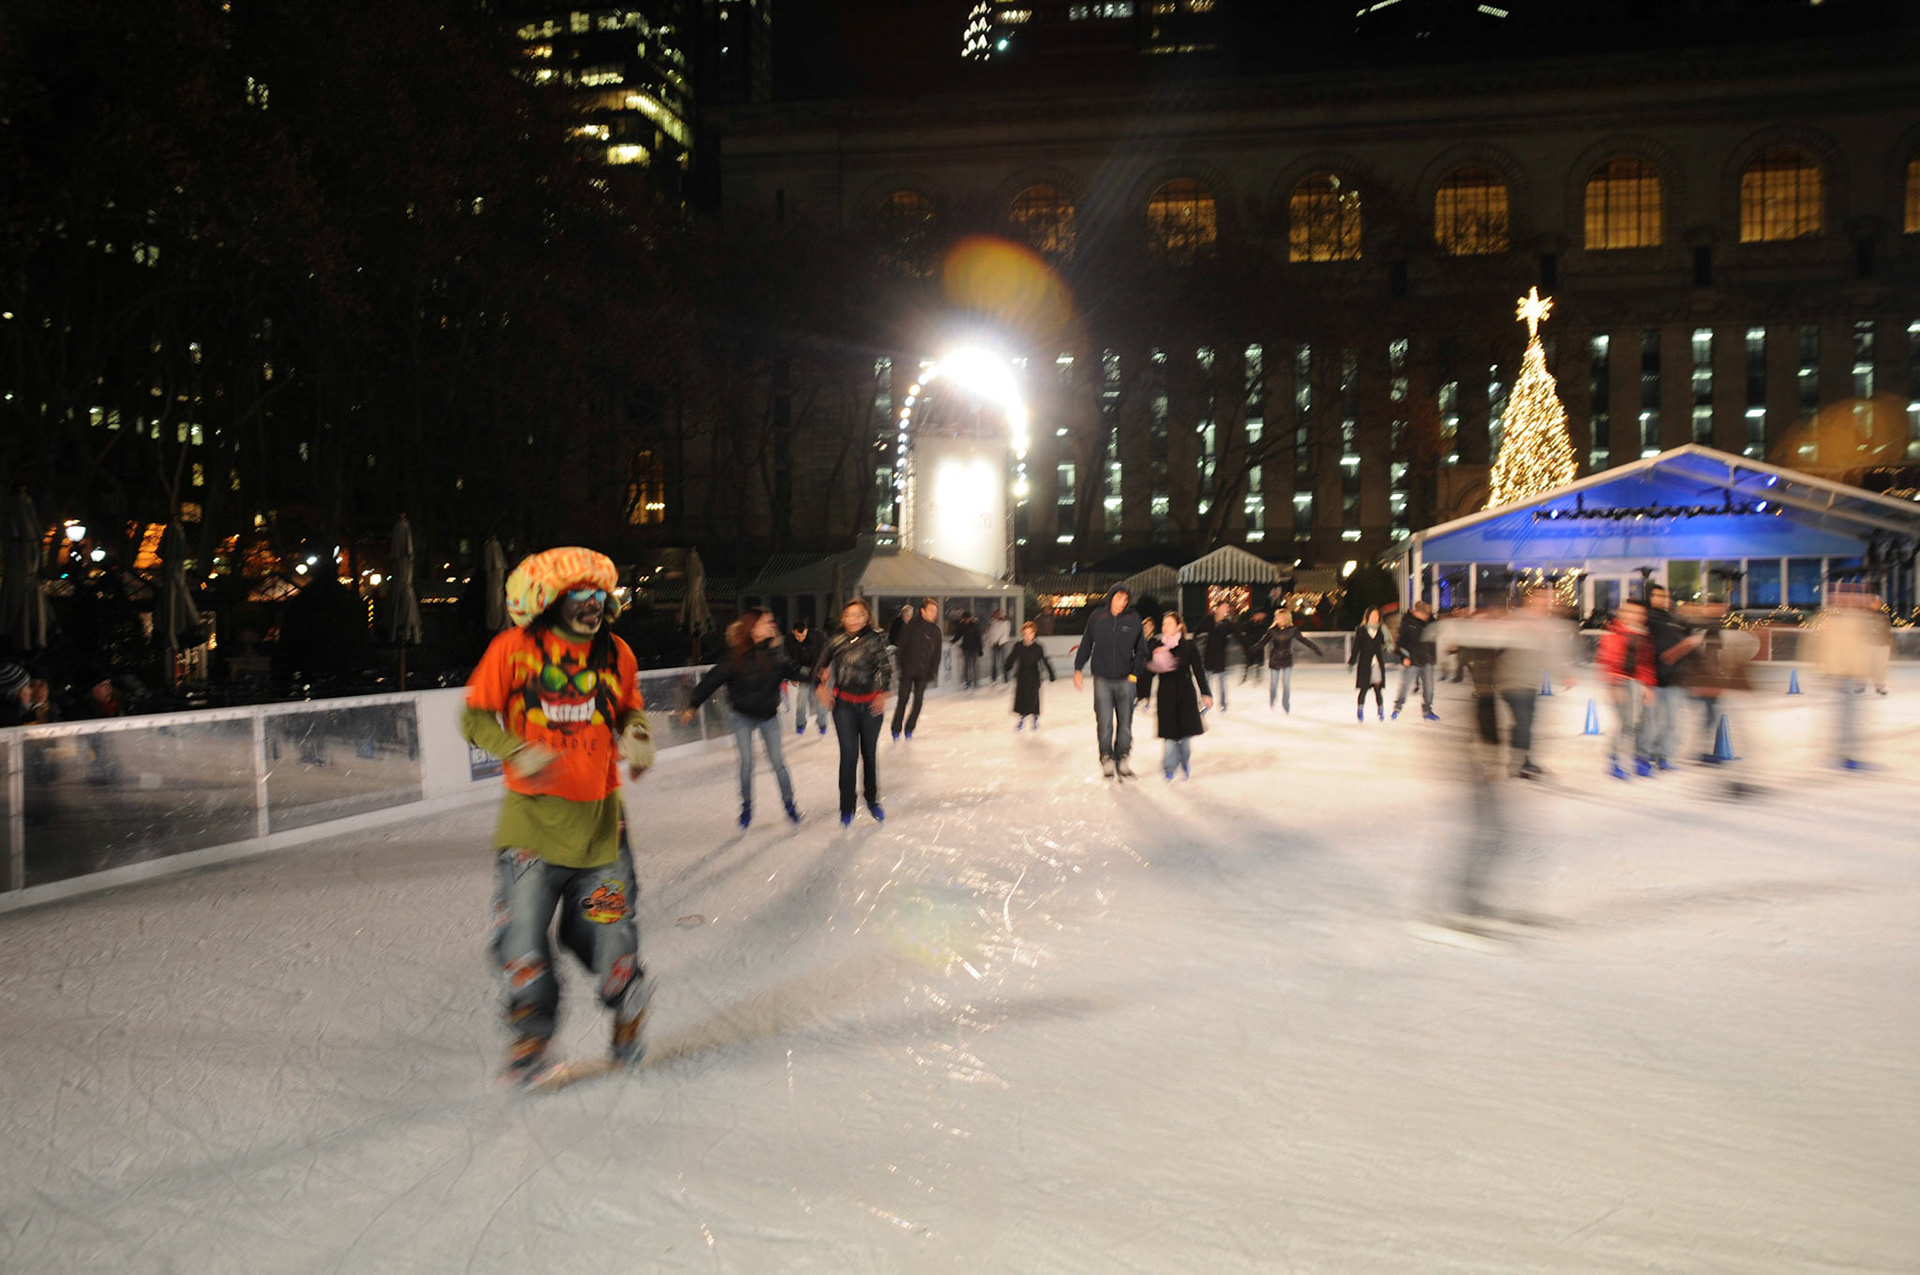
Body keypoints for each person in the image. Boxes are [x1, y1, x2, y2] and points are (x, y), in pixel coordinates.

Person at [461, 547, 655, 1087]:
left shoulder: (617, 654)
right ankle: (531, 1033)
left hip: (602, 835)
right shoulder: (514, 650)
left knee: (610, 931)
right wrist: (514, 749)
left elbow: (628, 706)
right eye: (581, 596)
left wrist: (637, 732)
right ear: (548, 601)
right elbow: (474, 717)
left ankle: (627, 1007)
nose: (594, 605)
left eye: (601, 596)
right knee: (521, 934)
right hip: (531, 831)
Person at [682, 608, 804, 828]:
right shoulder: (734, 657)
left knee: (778, 762)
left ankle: (789, 804)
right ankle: (746, 806)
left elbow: (795, 672)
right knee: (746, 763)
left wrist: (818, 678)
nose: (772, 625)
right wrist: (693, 704)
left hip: (769, 716)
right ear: (753, 628)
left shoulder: (775, 655)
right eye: (766, 622)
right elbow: (711, 681)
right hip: (742, 717)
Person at [818, 598, 892, 824]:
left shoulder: (875, 639)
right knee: (849, 755)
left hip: (871, 706)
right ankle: (847, 806)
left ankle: (872, 799)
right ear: (843, 618)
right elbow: (819, 667)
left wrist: (883, 693)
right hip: (843, 708)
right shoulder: (835, 640)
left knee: (868, 754)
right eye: (850, 615)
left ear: (867, 617)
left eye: (859, 614)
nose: (854, 619)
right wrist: (820, 686)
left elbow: (886, 668)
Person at [1495, 590, 1576, 779]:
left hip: (1529, 682)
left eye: (1545, 601)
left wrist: (1564, 675)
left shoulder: (1543, 625)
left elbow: (1551, 654)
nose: (1543, 604)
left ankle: (1521, 759)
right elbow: (1497, 642)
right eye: (1540, 600)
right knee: (1523, 723)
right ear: (1530, 601)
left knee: (1524, 723)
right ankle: (1522, 763)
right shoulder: (1515, 620)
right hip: (1511, 681)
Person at [1073, 584, 1149, 779]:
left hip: (1126, 679)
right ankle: (1106, 757)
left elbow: (1142, 650)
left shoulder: (1133, 619)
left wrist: (1135, 673)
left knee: (1125, 723)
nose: (1122, 603)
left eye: (1126, 600)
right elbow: (1086, 643)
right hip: (1102, 680)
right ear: (1111, 597)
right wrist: (1078, 668)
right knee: (1104, 722)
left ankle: (1122, 756)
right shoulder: (1098, 617)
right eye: (1119, 598)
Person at [1813, 588, 1878, 770]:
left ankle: (1844, 753)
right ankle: (1845, 754)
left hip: (1846, 673)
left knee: (1846, 715)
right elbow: (1837, 648)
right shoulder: (1837, 621)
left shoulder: (1844, 619)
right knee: (1846, 716)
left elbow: (1858, 647)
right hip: (1842, 673)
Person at [1595, 598, 1657, 779]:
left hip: (1637, 683)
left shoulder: (1643, 635)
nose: (1634, 616)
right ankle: (1614, 761)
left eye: (1638, 613)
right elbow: (1607, 662)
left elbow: (1646, 664)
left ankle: (1639, 760)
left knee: (1644, 723)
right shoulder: (1614, 633)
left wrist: (1647, 686)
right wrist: (1614, 685)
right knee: (1625, 724)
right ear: (1621, 613)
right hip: (1620, 682)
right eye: (1630, 611)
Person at [1146, 611, 1212, 780]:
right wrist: (1154, 661)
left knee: (1185, 739)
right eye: (1163, 624)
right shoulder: (1156, 647)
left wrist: (1205, 693)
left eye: (1169, 623)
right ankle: (1169, 768)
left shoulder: (1188, 645)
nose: (1165, 627)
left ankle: (1184, 762)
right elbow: (1147, 672)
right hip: (1165, 696)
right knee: (1169, 739)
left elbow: (1198, 670)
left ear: (1178, 626)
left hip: (1186, 696)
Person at [1644, 584, 1702, 771]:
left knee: (1674, 721)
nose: (1662, 599)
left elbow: (1691, 649)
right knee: (1653, 720)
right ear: (1650, 598)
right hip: (1654, 680)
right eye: (1658, 596)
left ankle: (1665, 756)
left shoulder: (1675, 620)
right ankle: (1649, 753)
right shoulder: (1648, 619)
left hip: (1675, 680)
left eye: (1665, 596)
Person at [891, 598, 942, 740]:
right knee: (903, 700)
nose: (934, 614)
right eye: (931, 611)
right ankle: (896, 729)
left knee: (918, 701)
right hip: (908, 670)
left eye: (935, 612)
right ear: (922, 611)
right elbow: (900, 648)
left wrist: (933, 671)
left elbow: (937, 653)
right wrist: (901, 667)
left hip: (924, 672)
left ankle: (909, 728)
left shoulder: (936, 631)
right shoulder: (911, 626)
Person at [1252, 609, 1321, 712]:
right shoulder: (1272, 630)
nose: (1276, 618)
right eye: (1276, 617)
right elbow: (1263, 643)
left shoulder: (1292, 630)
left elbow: (1304, 640)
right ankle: (1272, 699)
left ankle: (1286, 703)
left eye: (1278, 616)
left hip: (1287, 658)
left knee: (1286, 684)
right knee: (1274, 684)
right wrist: (1252, 650)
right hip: (1275, 658)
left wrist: (1316, 648)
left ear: (1285, 618)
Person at [1391, 600, 1439, 722]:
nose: (1426, 616)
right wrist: (1404, 658)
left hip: (1426, 660)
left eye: (1427, 614)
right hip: (1411, 660)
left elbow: (1433, 642)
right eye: (1424, 614)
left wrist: (1432, 657)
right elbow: (1401, 642)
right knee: (1405, 685)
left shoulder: (1430, 623)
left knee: (1429, 687)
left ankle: (1427, 710)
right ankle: (1398, 707)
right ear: (1417, 612)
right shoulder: (1408, 622)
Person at [1008, 620, 1055, 730]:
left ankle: (1034, 718)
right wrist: (1007, 665)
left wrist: (1051, 673)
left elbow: (1044, 660)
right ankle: (1022, 718)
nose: (1028, 636)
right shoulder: (1018, 646)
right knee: (1022, 697)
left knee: (1033, 698)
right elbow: (1012, 657)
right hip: (1021, 674)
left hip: (1034, 675)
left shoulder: (1038, 647)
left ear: (1034, 634)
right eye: (1025, 634)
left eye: (1030, 633)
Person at [784, 618, 826, 736]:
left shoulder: (817, 636)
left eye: (802, 636)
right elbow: (787, 659)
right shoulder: (789, 640)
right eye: (798, 636)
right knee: (801, 700)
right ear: (793, 632)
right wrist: (792, 675)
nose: (800, 639)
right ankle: (800, 724)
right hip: (802, 674)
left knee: (821, 701)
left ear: (806, 631)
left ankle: (822, 724)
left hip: (818, 672)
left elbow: (827, 651)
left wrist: (824, 668)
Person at [1349, 607, 1390, 722]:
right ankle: (1360, 710)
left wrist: (1389, 643)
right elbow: (1356, 647)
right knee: (1364, 688)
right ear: (1367, 616)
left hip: (1377, 664)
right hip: (1365, 664)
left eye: (1376, 616)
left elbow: (1387, 643)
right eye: (1372, 615)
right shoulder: (1361, 630)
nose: (1375, 618)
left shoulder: (1381, 630)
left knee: (1377, 688)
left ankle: (1380, 710)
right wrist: (1352, 662)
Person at [1201, 603, 1236, 711]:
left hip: (1220, 657)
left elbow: (1237, 634)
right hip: (1209, 656)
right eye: (1223, 607)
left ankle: (1223, 703)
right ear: (1218, 608)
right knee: (1206, 681)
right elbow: (1199, 630)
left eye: (1227, 608)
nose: (1225, 609)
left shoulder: (1227, 623)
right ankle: (1204, 702)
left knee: (1221, 681)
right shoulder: (1209, 620)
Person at [954, 611, 984, 690]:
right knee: (966, 665)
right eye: (965, 619)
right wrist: (953, 640)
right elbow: (959, 635)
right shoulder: (962, 626)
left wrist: (980, 649)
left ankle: (975, 682)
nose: (966, 620)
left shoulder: (974, 626)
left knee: (974, 665)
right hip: (966, 648)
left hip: (974, 648)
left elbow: (978, 638)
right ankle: (967, 682)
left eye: (967, 619)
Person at [985, 609, 1014, 684]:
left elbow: (1006, 633)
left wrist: (1000, 641)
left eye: (998, 614)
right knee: (994, 662)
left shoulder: (1005, 623)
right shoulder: (992, 623)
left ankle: (1006, 677)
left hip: (1002, 644)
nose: (997, 615)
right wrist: (991, 641)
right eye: (996, 614)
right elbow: (990, 633)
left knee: (1003, 661)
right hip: (994, 644)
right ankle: (994, 678)